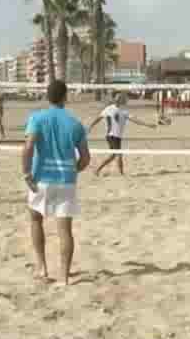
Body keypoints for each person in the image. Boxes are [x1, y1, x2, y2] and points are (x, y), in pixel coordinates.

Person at [22, 80, 90, 286]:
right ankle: (64, 277)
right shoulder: (75, 123)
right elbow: (86, 158)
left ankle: (42, 268)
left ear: (47, 96)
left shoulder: (37, 118)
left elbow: (28, 147)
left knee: (35, 220)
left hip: (41, 179)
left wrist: (26, 174)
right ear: (65, 97)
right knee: (65, 230)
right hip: (65, 181)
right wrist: (73, 170)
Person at [89, 92, 157, 176]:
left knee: (114, 155)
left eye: (120, 98)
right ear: (115, 99)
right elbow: (98, 118)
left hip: (118, 137)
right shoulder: (108, 109)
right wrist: (91, 126)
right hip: (111, 135)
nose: (118, 100)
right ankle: (119, 173)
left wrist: (148, 125)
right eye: (118, 98)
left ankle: (98, 170)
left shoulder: (124, 112)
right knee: (118, 154)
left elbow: (135, 120)